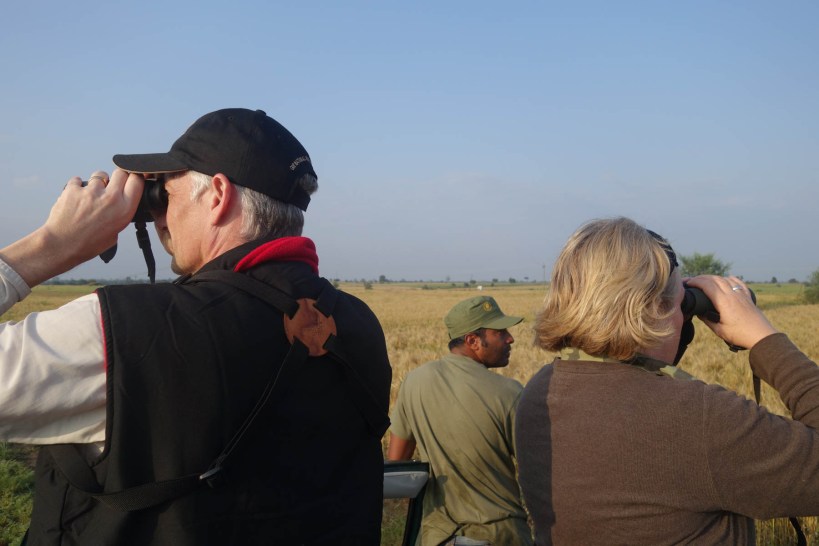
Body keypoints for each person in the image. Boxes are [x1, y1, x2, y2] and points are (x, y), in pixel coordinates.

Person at [0, 108, 392, 545]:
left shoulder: (122, 335)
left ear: (218, 194)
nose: (158, 217)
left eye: (164, 195)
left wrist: (51, 246)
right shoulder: (360, 327)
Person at [514, 216, 819, 545]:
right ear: (653, 311)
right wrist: (764, 337)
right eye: (680, 302)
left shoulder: (539, 392)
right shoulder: (699, 418)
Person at [388, 295, 533, 546]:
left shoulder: (413, 381)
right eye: (500, 332)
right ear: (472, 341)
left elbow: (396, 461)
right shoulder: (510, 392)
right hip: (500, 534)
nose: (510, 338)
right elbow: (538, 474)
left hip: (438, 535)